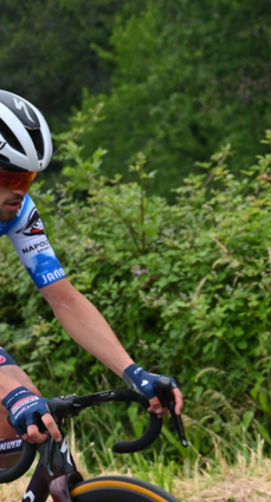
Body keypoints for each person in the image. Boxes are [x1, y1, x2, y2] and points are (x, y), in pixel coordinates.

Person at [0, 89, 181, 447]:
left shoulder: (17, 211)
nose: (22, 192)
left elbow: (64, 299)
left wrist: (135, 374)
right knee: (15, 399)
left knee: (22, 425)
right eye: (15, 179)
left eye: (30, 180)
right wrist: (11, 393)